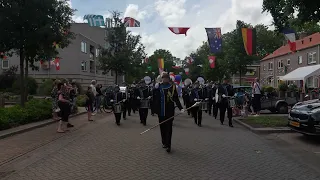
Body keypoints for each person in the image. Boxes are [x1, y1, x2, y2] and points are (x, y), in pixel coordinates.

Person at [154, 73, 184, 153]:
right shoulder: (158, 87)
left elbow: (176, 99)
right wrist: (154, 88)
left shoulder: (172, 87)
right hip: (160, 111)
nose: (165, 79)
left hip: (169, 111)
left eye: (166, 78)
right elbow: (154, 97)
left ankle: (168, 145)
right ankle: (164, 142)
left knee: (169, 128)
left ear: (168, 79)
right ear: (162, 79)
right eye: (164, 78)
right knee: (162, 128)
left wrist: (181, 108)